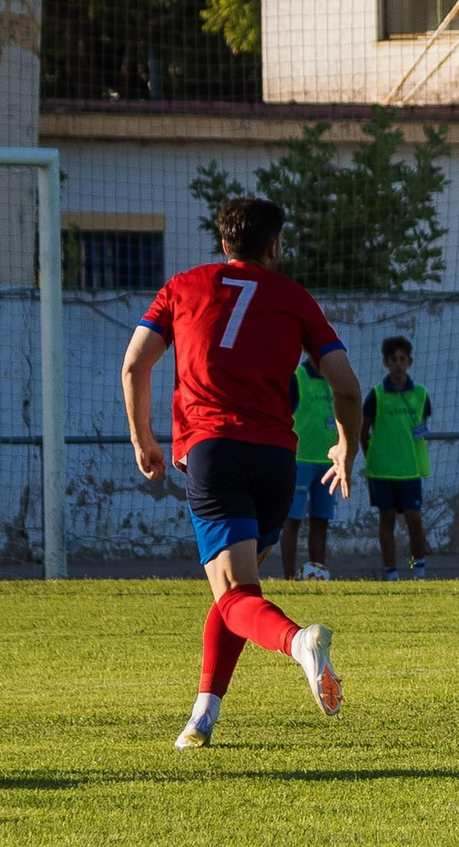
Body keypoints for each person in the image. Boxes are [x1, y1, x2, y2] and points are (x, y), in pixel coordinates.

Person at [121, 197, 361, 749]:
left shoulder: (182, 286)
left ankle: (299, 642)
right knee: (237, 590)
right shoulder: (294, 297)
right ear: (274, 245)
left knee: (233, 593)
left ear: (223, 242)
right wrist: (346, 447)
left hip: (215, 453)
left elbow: (135, 364)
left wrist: (144, 438)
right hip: (277, 461)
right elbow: (346, 385)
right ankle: (202, 717)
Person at [362, 336, 432, 581]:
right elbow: (363, 431)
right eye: (394, 359)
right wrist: (371, 455)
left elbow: (421, 426)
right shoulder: (376, 395)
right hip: (382, 470)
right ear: (386, 362)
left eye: (403, 359)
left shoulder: (421, 394)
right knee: (387, 520)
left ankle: (417, 568)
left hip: (410, 469)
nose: (398, 364)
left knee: (414, 520)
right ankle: (391, 572)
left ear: (409, 362)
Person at [281, 355, 338, 579]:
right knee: (292, 520)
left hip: (327, 463)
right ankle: (288, 578)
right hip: (300, 461)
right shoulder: (297, 378)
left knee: (320, 521)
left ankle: (318, 574)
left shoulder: (333, 380)